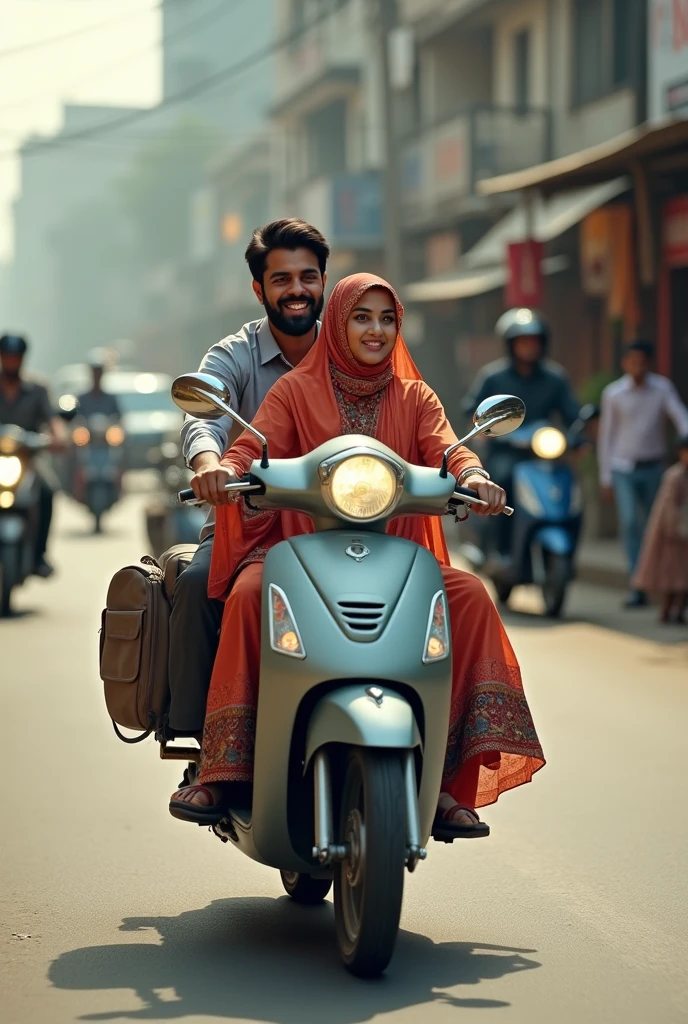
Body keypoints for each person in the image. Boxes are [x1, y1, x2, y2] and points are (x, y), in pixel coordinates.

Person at [169, 274, 545, 837]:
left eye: (386, 318)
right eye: (362, 317)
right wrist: (226, 469)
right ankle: (227, 768)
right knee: (251, 592)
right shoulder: (295, 389)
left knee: (467, 594)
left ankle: (441, 777)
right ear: (339, 323)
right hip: (299, 548)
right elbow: (251, 445)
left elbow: (447, 448)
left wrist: (475, 477)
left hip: (394, 556)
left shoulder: (415, 395)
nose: (375, 330)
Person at [167, 218, 330, 737]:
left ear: (324, 281)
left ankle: (438, 760)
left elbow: (413, 420)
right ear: (259, 289)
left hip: (345, 526)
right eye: (282, 279)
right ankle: (200, 744)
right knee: (196, 585)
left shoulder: (356, 348)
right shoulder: (233, 354)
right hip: (250, 523)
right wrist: (209, 465)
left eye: (308, 277)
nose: (297, 290)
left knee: (438, 593)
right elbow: (204, 416)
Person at [464, 308, 580, 558]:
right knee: (503, 482)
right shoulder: (493, 377)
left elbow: (572, 414)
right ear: (510, 344)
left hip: (543, 455)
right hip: (505, 451)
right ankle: (500, 549)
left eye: (534, 341)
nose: (529, 347)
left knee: (569, 484)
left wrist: (578, 435)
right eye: (523, 341)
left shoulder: (555, 378)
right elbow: (473, 409)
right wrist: (486, 430)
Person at [598, 340, 688, 608]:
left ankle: (659, 582)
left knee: (657, 527)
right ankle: (638, 586)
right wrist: (606, 478)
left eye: (642, 362)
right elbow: (607, 437)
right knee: (630, 524)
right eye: (632, 361)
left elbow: (681, 418)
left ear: (648, 363)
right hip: (623, 468)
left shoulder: (662, 388)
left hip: (655, 468)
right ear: (625, 363)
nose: (637, 367)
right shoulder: (613, 394)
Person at [0, 333, 64, 577]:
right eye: (7, 357)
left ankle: (39, 555)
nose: (11, 362)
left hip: (29, 461)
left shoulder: (37, 389)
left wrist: (59, 437)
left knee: (47, 492)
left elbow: (53, 421)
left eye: (15, 357)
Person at [630, 437, 688, 624]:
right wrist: (674, 527)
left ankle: (679, 613)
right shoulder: (675, 476)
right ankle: (666, 611)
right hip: (674, 534)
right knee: (672, 579)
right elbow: (669, 505)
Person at [75, 356, 122, 420]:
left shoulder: (110, 399)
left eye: (99, 372)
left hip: (107, 429)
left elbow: (117, 416)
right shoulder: (83, 399)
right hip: (87, 429)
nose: (97, 375)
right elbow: (77, 417)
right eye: (95, 372)